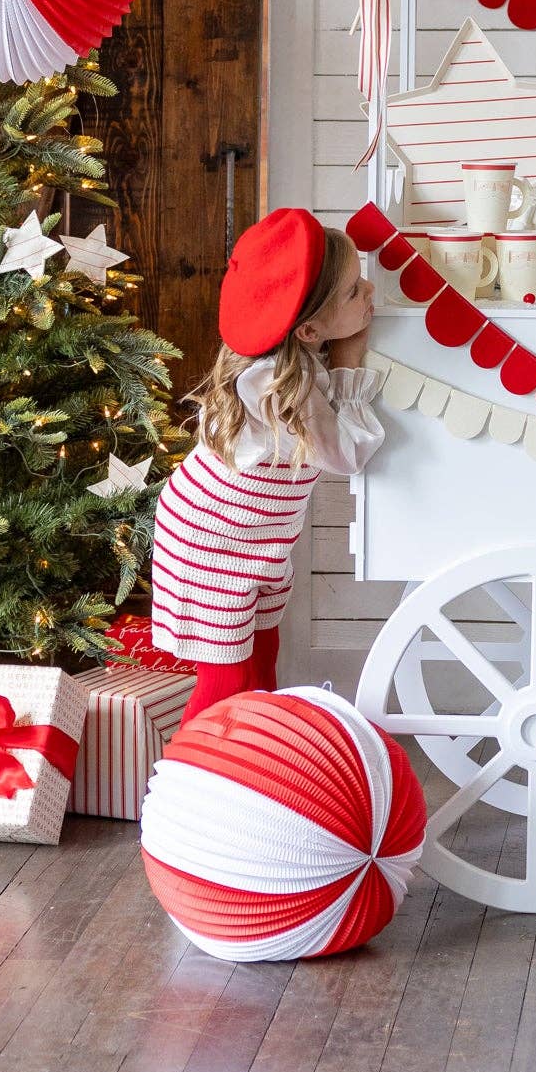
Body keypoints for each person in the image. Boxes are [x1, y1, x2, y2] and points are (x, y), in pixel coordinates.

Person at [151, 208, 383, 724]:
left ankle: (255, 763)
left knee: (261, 661)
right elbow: (346, 455)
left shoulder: (293, 363)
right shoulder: (279, 383)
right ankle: (187, 782)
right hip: (210, 541)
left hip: (251, 539)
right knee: (224, 681)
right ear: (308, 330)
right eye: (352, 291)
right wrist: (348, 363)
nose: (369, 291)